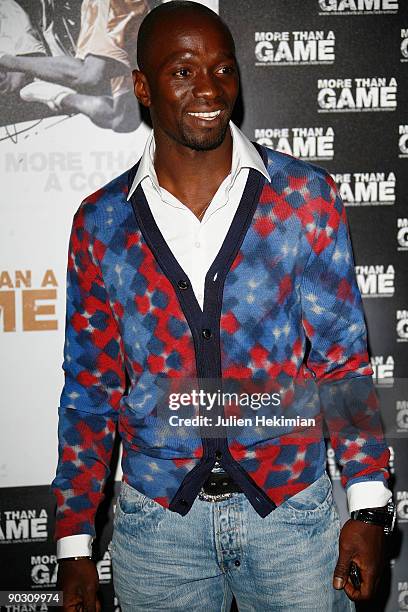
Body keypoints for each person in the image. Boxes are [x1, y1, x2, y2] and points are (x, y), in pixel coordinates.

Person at [52, 2, 395, 610]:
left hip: (293, 518)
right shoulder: (102, 223)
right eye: (182, 70)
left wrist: (368, 507)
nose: (208, 87)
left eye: (223, 69)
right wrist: (76, 542)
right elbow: (91, 385)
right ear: (142, 87)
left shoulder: (302, 199)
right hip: (157, 528)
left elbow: (342, 362)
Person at [0, 0, 149, 132]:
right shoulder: (51, 10)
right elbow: (118, 117)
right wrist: (59, 96)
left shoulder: (103, 4)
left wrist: (6, 60)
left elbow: (88, 75)